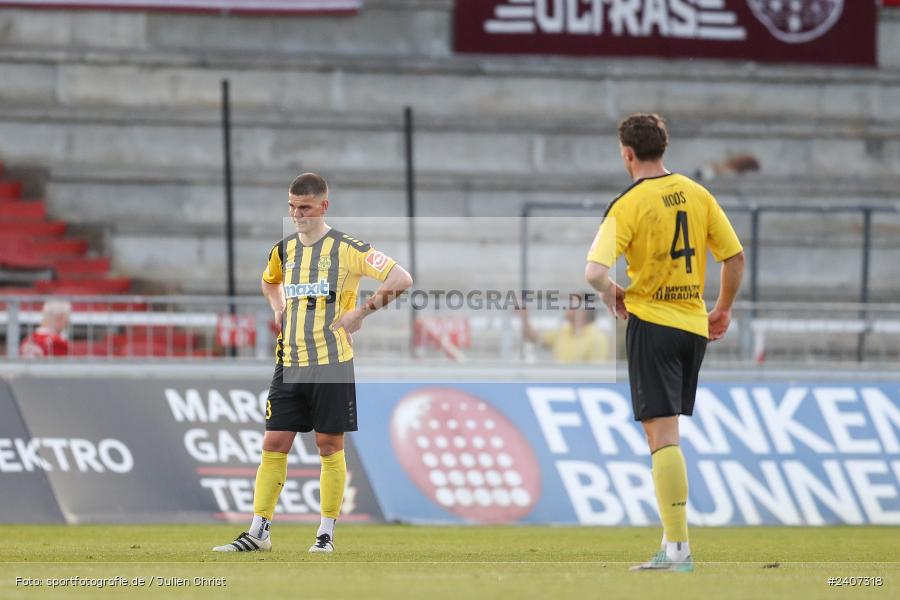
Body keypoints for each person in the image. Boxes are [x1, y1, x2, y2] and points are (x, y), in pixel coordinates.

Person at [214, 173, 412, 554]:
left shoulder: (348, 248)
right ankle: (258, 532)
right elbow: (269, 282)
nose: (297, 215)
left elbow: (401, 278)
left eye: (304, 207)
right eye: (291, 207)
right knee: (274, 442)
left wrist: (361, 313)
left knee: (328, 445)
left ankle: (325, 534)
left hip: (331, 363)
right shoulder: (284, 250)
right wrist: (278, 305)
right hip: (289, 360)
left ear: (324, 206)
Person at [585, 114, 744, 573]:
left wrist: (612, 294)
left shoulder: (628, 204)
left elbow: (594, 272)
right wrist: (723, 308)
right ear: (663, 148)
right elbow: (734, 257)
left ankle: (677, 550)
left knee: (661, 437)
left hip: (653, 323)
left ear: (627, 154)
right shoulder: (698, 194)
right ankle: (670, 544)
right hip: (693, 327)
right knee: (666, 434)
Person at [518, 293, 608, 363]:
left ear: (584, 310)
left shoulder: (597, 337)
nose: (567, 307)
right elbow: (531, 336)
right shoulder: (564, 332)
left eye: (572, 304)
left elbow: (596, 373)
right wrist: (524, 316)